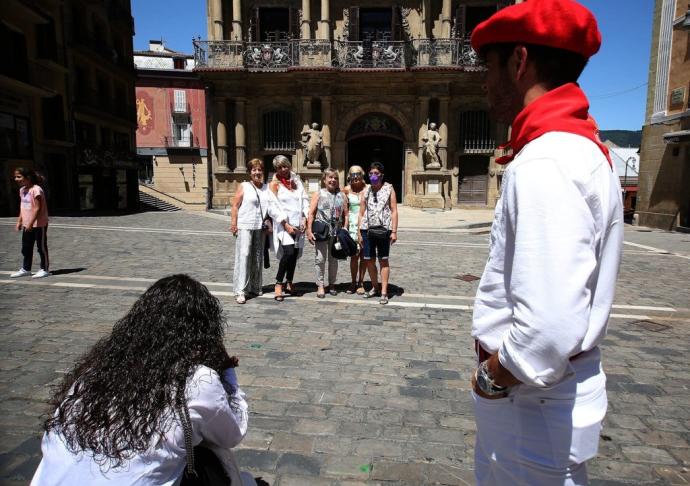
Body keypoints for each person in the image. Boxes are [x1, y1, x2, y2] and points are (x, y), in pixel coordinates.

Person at [468, 1, 624, 484]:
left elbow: (548, 326)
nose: (484, 82)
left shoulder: (546, 161)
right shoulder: (577, 148)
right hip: (545, 406)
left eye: (489, 67)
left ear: (519, 61)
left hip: (529, 407)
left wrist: (492, 376)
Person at [31, 274, 251, 485]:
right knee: (215, 451)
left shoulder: (94, 370)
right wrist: (227, 370)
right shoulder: (197, 379)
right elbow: (232, 434)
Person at [230, 158, 287, 304]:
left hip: (259, 227)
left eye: (260, 170)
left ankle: (255, 286)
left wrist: (279, 220)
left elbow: (271, 207)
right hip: (245, 225)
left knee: (257, 256)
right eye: (254, 170)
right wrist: (233, 223)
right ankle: (240, 290)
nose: (257, 172)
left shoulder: (266, 188)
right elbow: (235, 205)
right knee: (244, 256)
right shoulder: (244, 186)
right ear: (250, 172)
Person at [269, 155, 309, 301]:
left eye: (285, 166)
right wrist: (285, 224)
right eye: (279, 167)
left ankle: (289, 282)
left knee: (294, 254)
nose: (283, 169)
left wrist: (305, 217)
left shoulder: (297, 181)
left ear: (289, 166)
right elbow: (272, 207)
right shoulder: (274, 184)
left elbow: (304, 199)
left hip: (298, 225)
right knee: (289, 252)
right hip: (284, 225)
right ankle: (279, 283)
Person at [357, 162, 398, 305]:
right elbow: (361, 212)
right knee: (368, 260)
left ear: (381, 175)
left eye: (376, 173)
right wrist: (359, 232)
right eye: (371, 173)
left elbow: (394, 210)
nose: (373, 176)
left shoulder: (389, 188)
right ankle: (375, 287)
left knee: (383, 260)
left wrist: (394, 231)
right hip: (367, 229)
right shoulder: (366, 190)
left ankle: (384, 291)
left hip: (383, 229)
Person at [306, 168, 348, 298]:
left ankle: (332, 284)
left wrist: (345, 228)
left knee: (333, 259)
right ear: (324, 180)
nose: (333, 180)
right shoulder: (318, 194)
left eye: (335, 178)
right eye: (330, 177)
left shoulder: (342, 195)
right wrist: (309, 230)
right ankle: (320, 285)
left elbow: (346, 214)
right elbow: (311, 213)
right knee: (320, 259)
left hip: (336, 233)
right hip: (321, 231)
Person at [11, 167, 50, 279]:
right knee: (26, 247)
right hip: (27, 224)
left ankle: (45, 269)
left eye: (19, 176)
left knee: (41, 247)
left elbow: (37, 208)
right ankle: (26, 269)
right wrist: (20, 221)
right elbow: (23, 207)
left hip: (39, 224)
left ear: (28, 177)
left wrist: (31, 223)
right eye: (15, 177)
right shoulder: (22, 190)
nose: (16, 179)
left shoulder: (36, 189)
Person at [342, 165, 368, 294]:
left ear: (362, 175)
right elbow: (344, 211)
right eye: (353, 174)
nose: (356, 177)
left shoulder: (368, 189)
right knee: (354, 256)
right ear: (349, 176)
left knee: (363, 256)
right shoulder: (346, 190)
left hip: (365, 225)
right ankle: (353, 282)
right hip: (352, 225)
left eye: (358, 174)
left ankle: (361, 282)